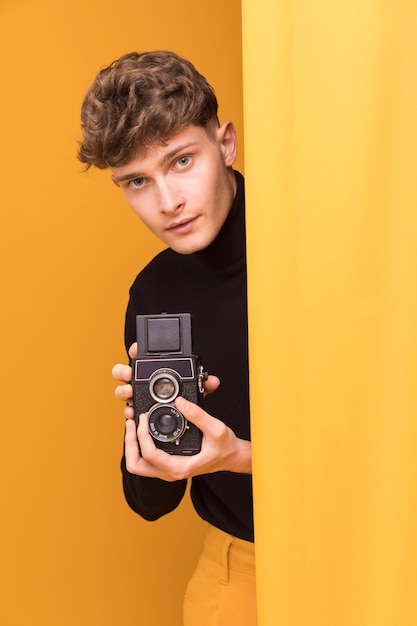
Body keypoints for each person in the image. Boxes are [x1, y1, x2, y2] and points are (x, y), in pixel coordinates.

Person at [78, 51, 255, 625]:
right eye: (137, 181)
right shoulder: (153, 294)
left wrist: (243, 458)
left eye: (182, 161)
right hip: (239, 566)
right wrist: (145, 435)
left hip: (371, 555)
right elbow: (152, 504)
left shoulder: (310, 244)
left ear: (225, 144)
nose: (166, 203)